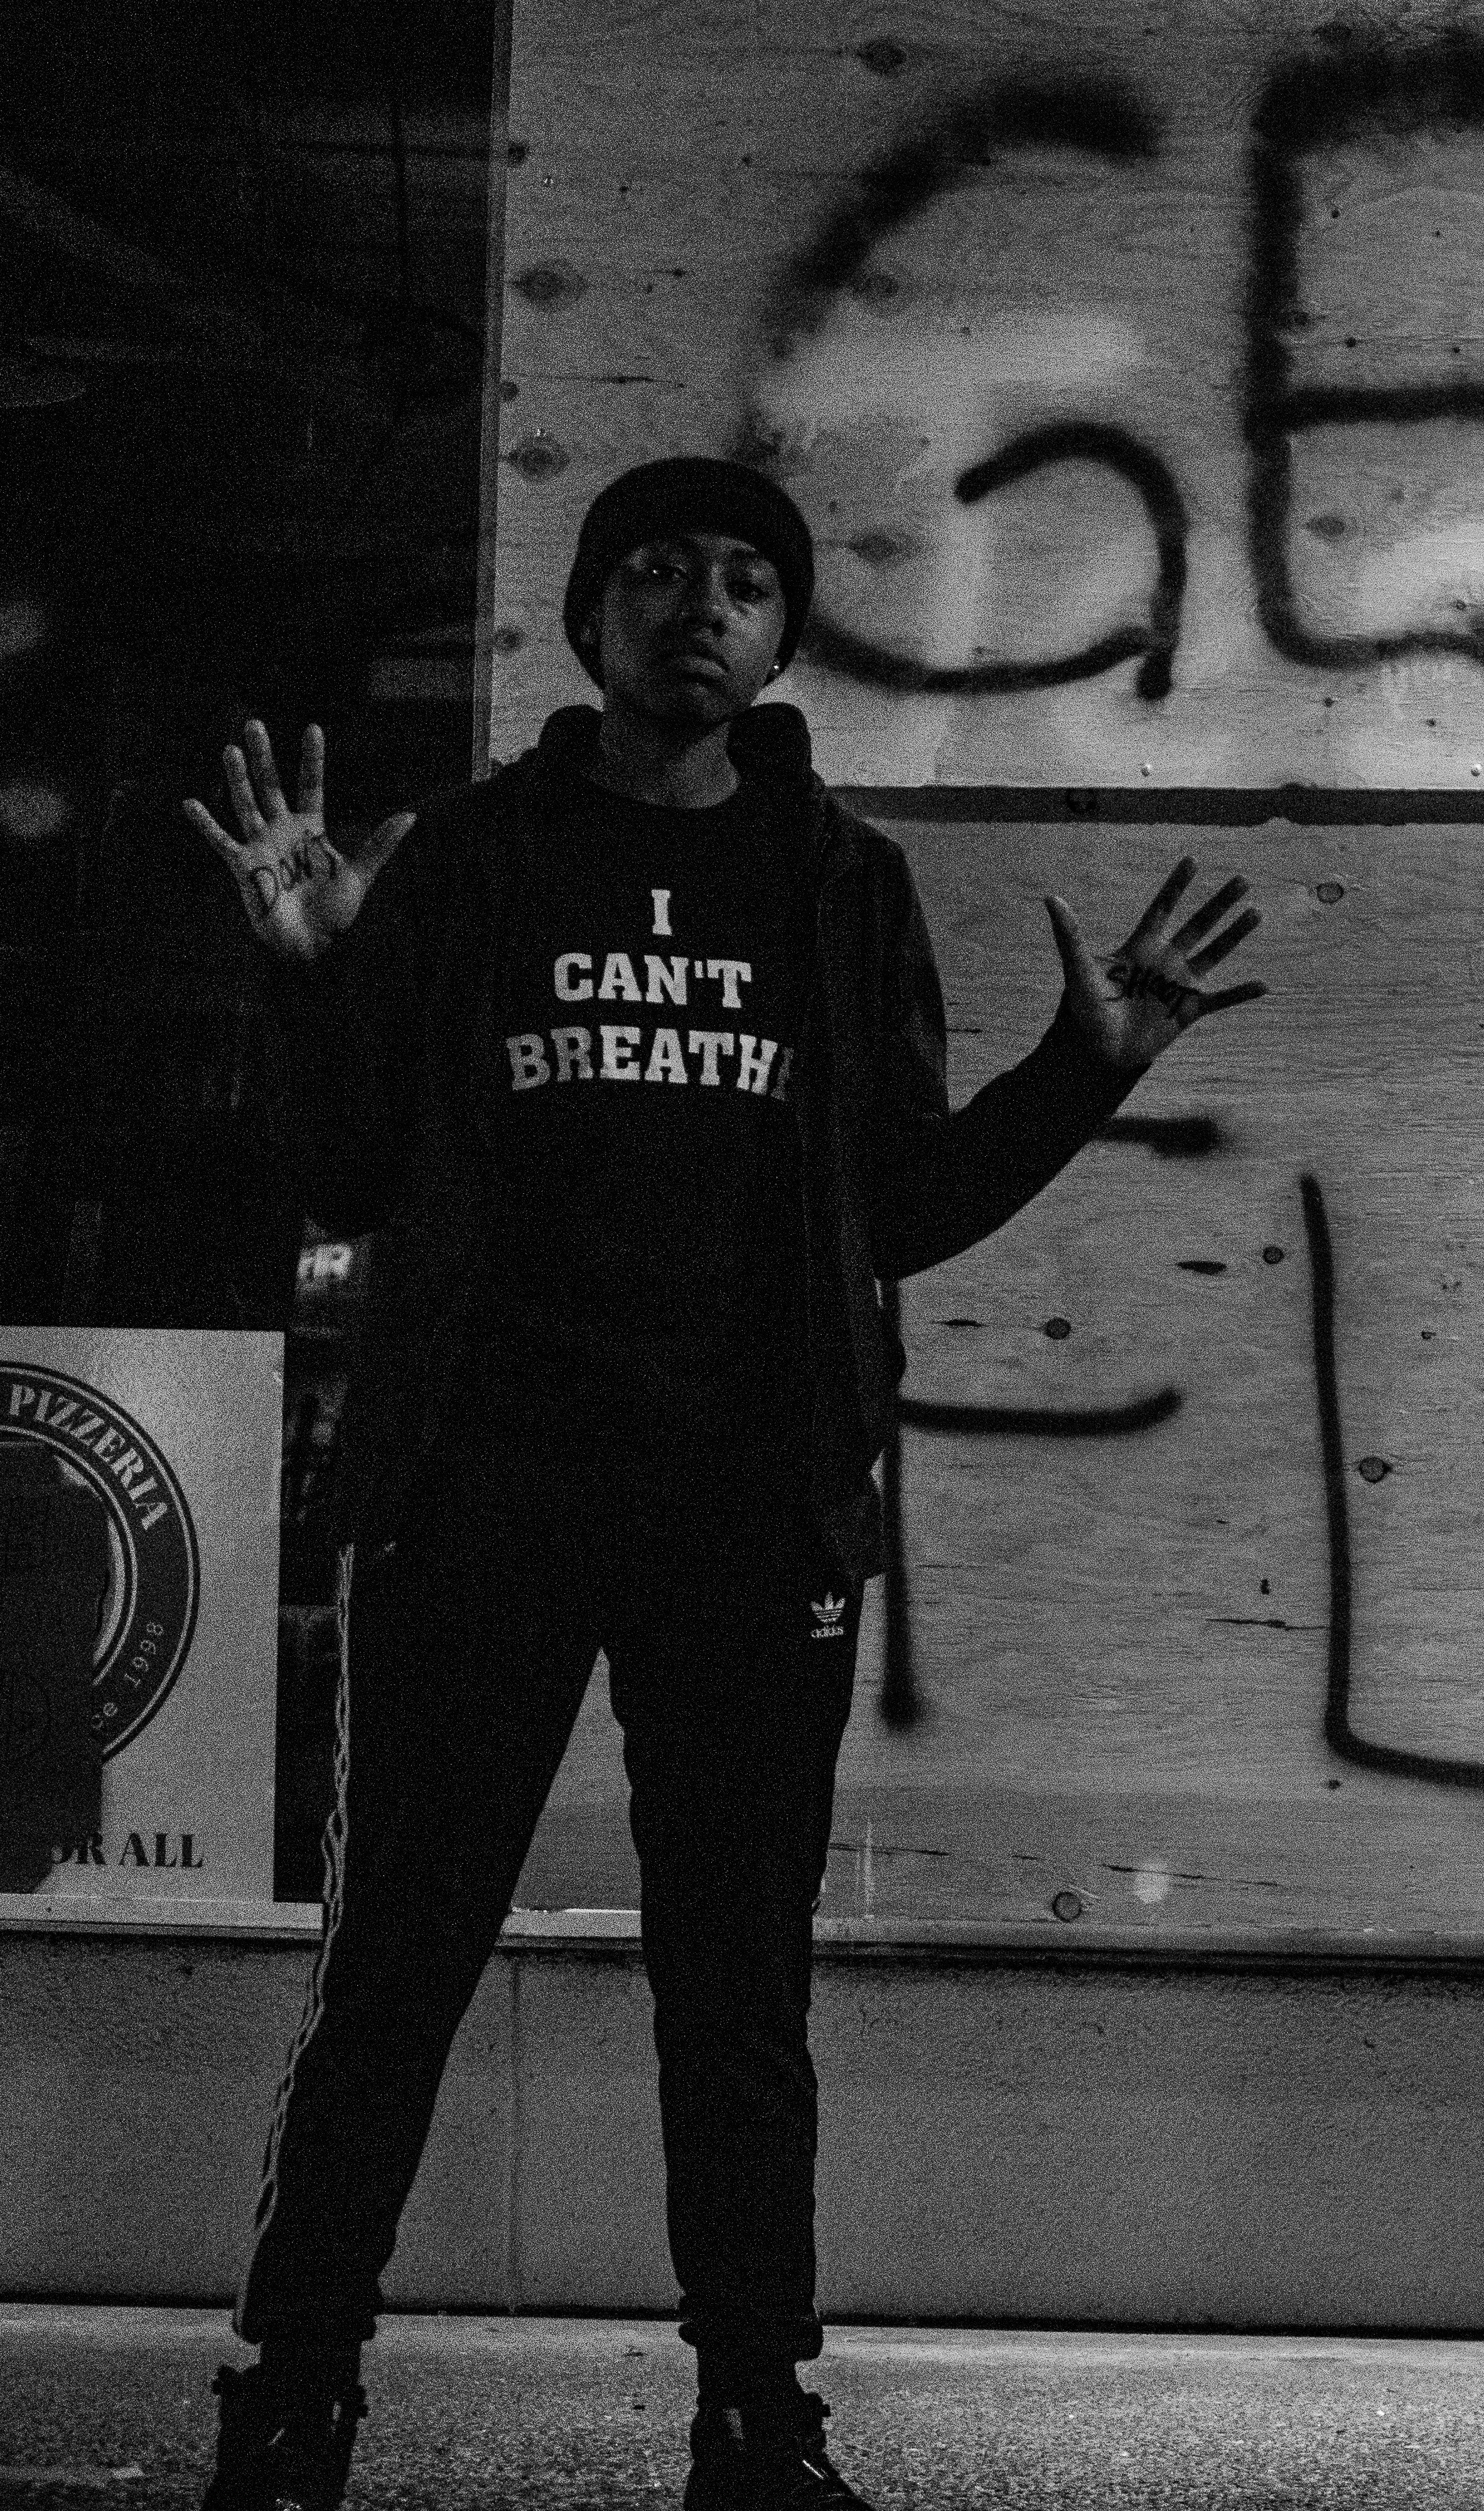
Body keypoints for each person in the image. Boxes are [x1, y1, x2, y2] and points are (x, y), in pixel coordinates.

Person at [180, 457, 1267, 2511]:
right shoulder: (473, 863)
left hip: (747, 1515)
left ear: (779, 641)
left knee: (740, 1997)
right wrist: (313, 968)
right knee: (397, 1968)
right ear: (591, 619)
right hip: (480, 1497)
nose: (702, 604)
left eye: (747, 580)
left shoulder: (837, 887)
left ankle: (759, 2422)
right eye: (661, 571)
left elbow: (901, 1206)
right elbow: (345, 1173)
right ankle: (293, 2401)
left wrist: (1081, 1073)